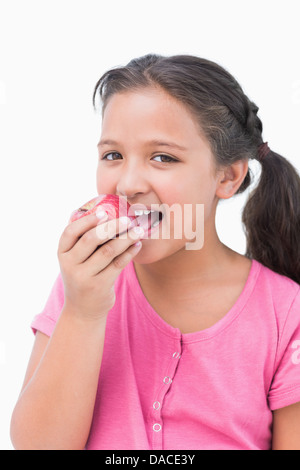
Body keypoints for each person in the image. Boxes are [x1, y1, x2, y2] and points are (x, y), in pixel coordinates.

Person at [10, 54, 300, 450]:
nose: (127, 184)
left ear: (228, 176)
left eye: (163, 157)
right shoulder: (82, 288)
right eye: (113, 155)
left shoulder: (287, 312)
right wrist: (83, 311)